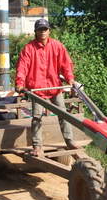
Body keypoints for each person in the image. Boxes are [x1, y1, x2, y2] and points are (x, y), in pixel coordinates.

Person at [15, 18, 80, 156]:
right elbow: (22, 67)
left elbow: (66, 65)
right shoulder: (29, 49)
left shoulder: (57, 46)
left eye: (45, 29)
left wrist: (71, 80)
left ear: (49, 31)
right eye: (40, 29)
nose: (43, 32)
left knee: (63, 114)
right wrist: (20, 84)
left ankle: (69, 141)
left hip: (54, 87)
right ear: (35, 32)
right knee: (37, 117)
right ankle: (37, 146)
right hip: (37, 89)